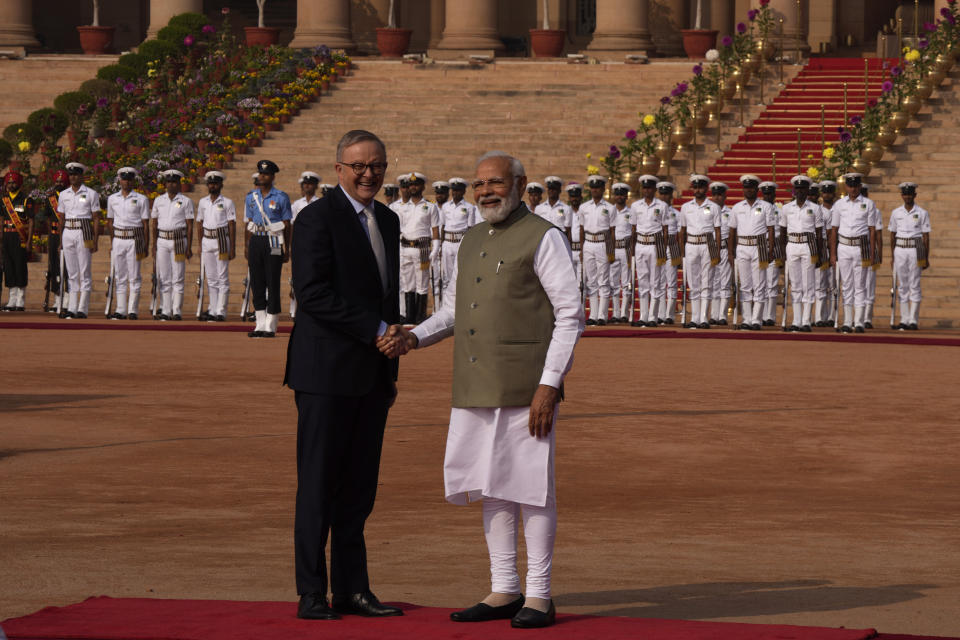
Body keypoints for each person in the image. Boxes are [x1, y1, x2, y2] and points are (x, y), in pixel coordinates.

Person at [382, 150, 584, 629]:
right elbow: (452, 311)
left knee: (532, 489)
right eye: (479, 184)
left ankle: (539, 594)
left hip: (524, 385)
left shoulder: (544, 237)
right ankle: (504, 589)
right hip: (475, 383)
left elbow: (570, 314)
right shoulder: (471, 239)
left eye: (495, 182)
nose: (486, 191)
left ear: (520, 184)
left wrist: (549, 385)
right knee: (491, 486)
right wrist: (414, 336)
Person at [283, 129, 402, 621]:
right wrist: (375, 329)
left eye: (376, 165)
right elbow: (311, 293)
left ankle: (353, 589)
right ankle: (312, 591)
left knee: (359, 487)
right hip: (325, 372)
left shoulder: (389, 220)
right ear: (339, 170)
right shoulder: (316, 219)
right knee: (318, 484)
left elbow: (387, 295)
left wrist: (390, 358)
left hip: (372, 373)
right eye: (359, 166)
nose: (369, 173)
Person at [245, 159, 293, 337]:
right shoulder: (251, 196)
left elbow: (287, 224)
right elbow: (248, 222)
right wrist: (247, 245)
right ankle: (259, 323)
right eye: (260, 173)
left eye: (265, 174)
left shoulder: (281, 197)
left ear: (272, 177)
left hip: (274, 241)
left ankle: (271, 324)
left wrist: (286, 248)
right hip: (257, 239)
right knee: (257, 282)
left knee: (272, 281)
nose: (261, 176)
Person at [829, 172, 879, 333]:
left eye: (856, 186)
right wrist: (833, 254)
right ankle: (847, 321)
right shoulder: (839, 205)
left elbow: (872, 230)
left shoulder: (869, 204)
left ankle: (859, 322)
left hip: (861, 247)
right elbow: (834, 230)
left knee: (860, 285)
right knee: (847, 285)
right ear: (846, 186)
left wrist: (872, 253)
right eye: (850, 186)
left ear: (860, 186)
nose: (853, 189)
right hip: (844, 246)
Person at [728, 175, 776, 330]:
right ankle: (747, 319)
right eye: (746, 187)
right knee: (745, 285)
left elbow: (771, 229)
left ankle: (757, 319)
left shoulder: (766, 207)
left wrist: (770, 250)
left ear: (757, 189)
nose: (748, 190)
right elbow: (732, 231)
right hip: (742, 245)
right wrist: (730, 252)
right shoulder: (737, 207)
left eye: (752, 187)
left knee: (760, 284)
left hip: (760, 246)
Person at [779, 175, 825, 332]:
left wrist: (819, 254)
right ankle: (796, 319)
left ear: (807, 190)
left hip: (808, 245)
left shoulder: (815, 208)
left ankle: (806, 320)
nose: (799, 192)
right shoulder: (786, 208)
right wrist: (783, 253)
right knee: (796, 285)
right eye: (797, 189)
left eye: (803, 189)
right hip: (792, 245)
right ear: (794, 190)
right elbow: (782, 231)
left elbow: (819, 233)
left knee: (809, 284)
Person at [57, 162, 101, 319]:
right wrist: (61, 241)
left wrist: (95, 240)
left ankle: (83, 308)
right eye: (71, 175)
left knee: (84, 270)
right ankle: (72, 307)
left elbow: (96, 218)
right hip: (68, 230)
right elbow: (61, 218)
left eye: (76, 174)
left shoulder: (91, 193)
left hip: (84, 231)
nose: (73, 177)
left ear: (82, 176)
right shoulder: (63, 194)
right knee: (72, 272)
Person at [105, 167, 150, 319]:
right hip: (118, 239)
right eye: (124, 179)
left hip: (134, 238)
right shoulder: (112, 199)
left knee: (134, 276)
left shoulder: (141, 199)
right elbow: (110, 222)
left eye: (129, 179)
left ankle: (132, 310)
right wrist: (112, 242)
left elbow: (145, 224)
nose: (126, 182)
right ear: (120, 180)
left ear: (133, 181)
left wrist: (146, 244)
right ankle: (121, 309)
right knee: (120, 275)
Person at [151, 169, 194, 321]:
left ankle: (177, 310)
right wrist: (154, 244)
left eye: (174, 182)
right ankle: (166, 309)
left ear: (179, 184)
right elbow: (154, 223)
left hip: (178, 239)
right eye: (169, 182)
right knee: (164, 277)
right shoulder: (158, 200)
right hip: (162, 239)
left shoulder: (186, 201)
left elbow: (190, 225)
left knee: (178, 276)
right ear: (165, 184)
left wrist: (189, 246)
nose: (171, 185)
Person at [396, 172, 439, 324]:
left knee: (422, 282)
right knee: (408, 283)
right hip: (406, 247)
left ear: (422, 186)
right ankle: (409, 315)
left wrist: (435, 248)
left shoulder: (430, 206)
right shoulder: (402, 207)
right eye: (411, 184)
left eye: (416, 184)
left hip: (422, 249)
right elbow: (399, 229)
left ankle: (420, 316)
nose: (413, 187)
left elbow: (435, 230)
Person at [679, 174, 721, 329]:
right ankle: (694, 317)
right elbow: (682, 231)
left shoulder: (714, 207)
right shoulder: (685, 207)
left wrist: (716, 251)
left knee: (707, 282)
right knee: (693, 283)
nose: (698, 190)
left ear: (706, 188)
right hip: (691, 244)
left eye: (701, 187)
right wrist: (682, 252)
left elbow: (717, 230)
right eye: (695, 187)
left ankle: (704, 317)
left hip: (707, 244)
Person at [888, 181, 931, 330]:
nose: (907, 196)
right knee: (903, 285)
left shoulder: (922, 213)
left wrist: (926, 256)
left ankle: (913, 319)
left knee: (915, 284)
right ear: (901, 195)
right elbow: (892, 235)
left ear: (915, 195)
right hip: (900, 248)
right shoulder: (896, 213)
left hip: (916, 248)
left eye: (910, 194)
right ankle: (904, 319)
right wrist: (892, 256)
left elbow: (926, 237)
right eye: (905, 194)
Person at [196, 171, 237, 322]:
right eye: (210, 183)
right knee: (211, 278)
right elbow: (199, 223)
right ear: (207, 185)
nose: (213, 186)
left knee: (222, 277)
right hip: (207, 239)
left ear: (221, 185)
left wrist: (232, 247)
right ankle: (212, 309)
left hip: (221, 239)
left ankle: (221, 310)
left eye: (216, 183)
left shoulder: (227, 202)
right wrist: (199, 244)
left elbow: (232, 225)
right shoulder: (203, 202)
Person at [628, 175, 667, 327]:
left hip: (655, 244)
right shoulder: (636, 206)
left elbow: (665, 230)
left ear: (654, 189)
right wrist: (632, 251)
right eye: (644, 187)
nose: (647, 190)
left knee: (655, 282)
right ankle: (643, 315)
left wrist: (662, 250)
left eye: (649, 188)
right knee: (642, 281)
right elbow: (633, 229)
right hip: (640, 244)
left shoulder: (662, 206)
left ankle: (653, 316)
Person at [579, 174, 615, 325]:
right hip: (588, 243)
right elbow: (581, 229)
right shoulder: (584, 207)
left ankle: (602, 315)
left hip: (602, 243)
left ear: (603, 189)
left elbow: (612, 231)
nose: (595, 190)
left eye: (598, 188)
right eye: (593, 188)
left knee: (604, 280)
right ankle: (593, 315)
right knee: (591, 281)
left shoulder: (610, 208)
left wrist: (611, 250)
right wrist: (581, 248)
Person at [36, 169, 70, 312]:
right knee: (54, 265)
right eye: (57, 181)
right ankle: (57, 298)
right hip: (55, 235)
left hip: (68, 233)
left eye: (61, 181)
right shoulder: (49, 199)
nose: (59, 183)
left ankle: (68, 298)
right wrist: (50, 234)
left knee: (68, 267)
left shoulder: (70, 196)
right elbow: (48, 218)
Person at [439, 177, 478, 302]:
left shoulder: (469, 207)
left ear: (463, 192)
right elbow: (442, 226)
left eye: (458, 190)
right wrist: (440, 246)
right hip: (447, 242)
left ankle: (459, 305)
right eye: (453, 190)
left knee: (459, 276)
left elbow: (471, 228)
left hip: (461, 242)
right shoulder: (445, 207)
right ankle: (445, 307)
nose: (455, 193)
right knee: (446, 278)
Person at [1, 170, 34, 311]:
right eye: (9, 182)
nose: (11, 184)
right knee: (9, 267)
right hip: (7, 237)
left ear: (19, 183)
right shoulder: (3, 200)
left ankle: (20, 299)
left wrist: (29, 241)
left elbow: (31, 221)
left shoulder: (26, 200)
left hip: (20, 237)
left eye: (13, 182)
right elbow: (1, 219)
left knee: (20, 266)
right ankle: (11, 299)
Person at [655, 181, 681, 324]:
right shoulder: (655, 211)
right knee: (658, 281)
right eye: (662, 193)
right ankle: (659, 313)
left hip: (672, 245)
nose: (664, 196)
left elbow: (681, 234)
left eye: (667, 194)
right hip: (658, 244)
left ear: (671, 195)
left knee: (671, 282)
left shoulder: (676, 213)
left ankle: (670, 314)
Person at [609, 182, 634, 323]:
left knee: (626, 282)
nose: (619, 197)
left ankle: (624, 313)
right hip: (613, 248)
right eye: (617, 194)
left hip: (626, 249)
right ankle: (615, 313)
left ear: (626, 196)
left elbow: (633, 232)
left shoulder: (630, 213)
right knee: (613, 283)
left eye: (622, 194)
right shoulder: (609, 211)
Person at [709, 181, 733, 325]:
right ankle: (713, 314)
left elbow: (732, 233)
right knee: (713, 283)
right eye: (714, 195)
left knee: (725, 282)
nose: (717, 198)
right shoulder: (707, 210)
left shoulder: (730, 213)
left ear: (725, 196)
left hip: (724, 248)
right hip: (710, 249)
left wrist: (731, 252)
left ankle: (723, 315)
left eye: (720, 195)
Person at [815, 180, 839, 326]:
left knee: (833, 284)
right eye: (824, 192)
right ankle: (820, 317)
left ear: (834, 194)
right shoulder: (818, 210)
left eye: (829, 192)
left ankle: (832, 316)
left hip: (838, 247)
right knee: (820, 283)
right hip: (823, 247)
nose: (827, 195)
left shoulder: (839, 208)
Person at [759, 181, 782, 326]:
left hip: (776, 246)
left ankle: (770, 316)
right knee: (760, 282)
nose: (768, 196)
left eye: (770, 193)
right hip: (761, 245)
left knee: (772, 283)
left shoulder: (781, 210)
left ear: (774, 194)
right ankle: (760, 314)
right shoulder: (758, 209)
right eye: (765, 193)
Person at [861, 183, 883, 329]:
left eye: (864, 193)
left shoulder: (874, 210)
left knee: (869, 283)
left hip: (869, 247)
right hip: (854, 247)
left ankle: (867, 317)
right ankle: (858, 316)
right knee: (857, 284)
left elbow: (879, 234)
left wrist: (879, 253)